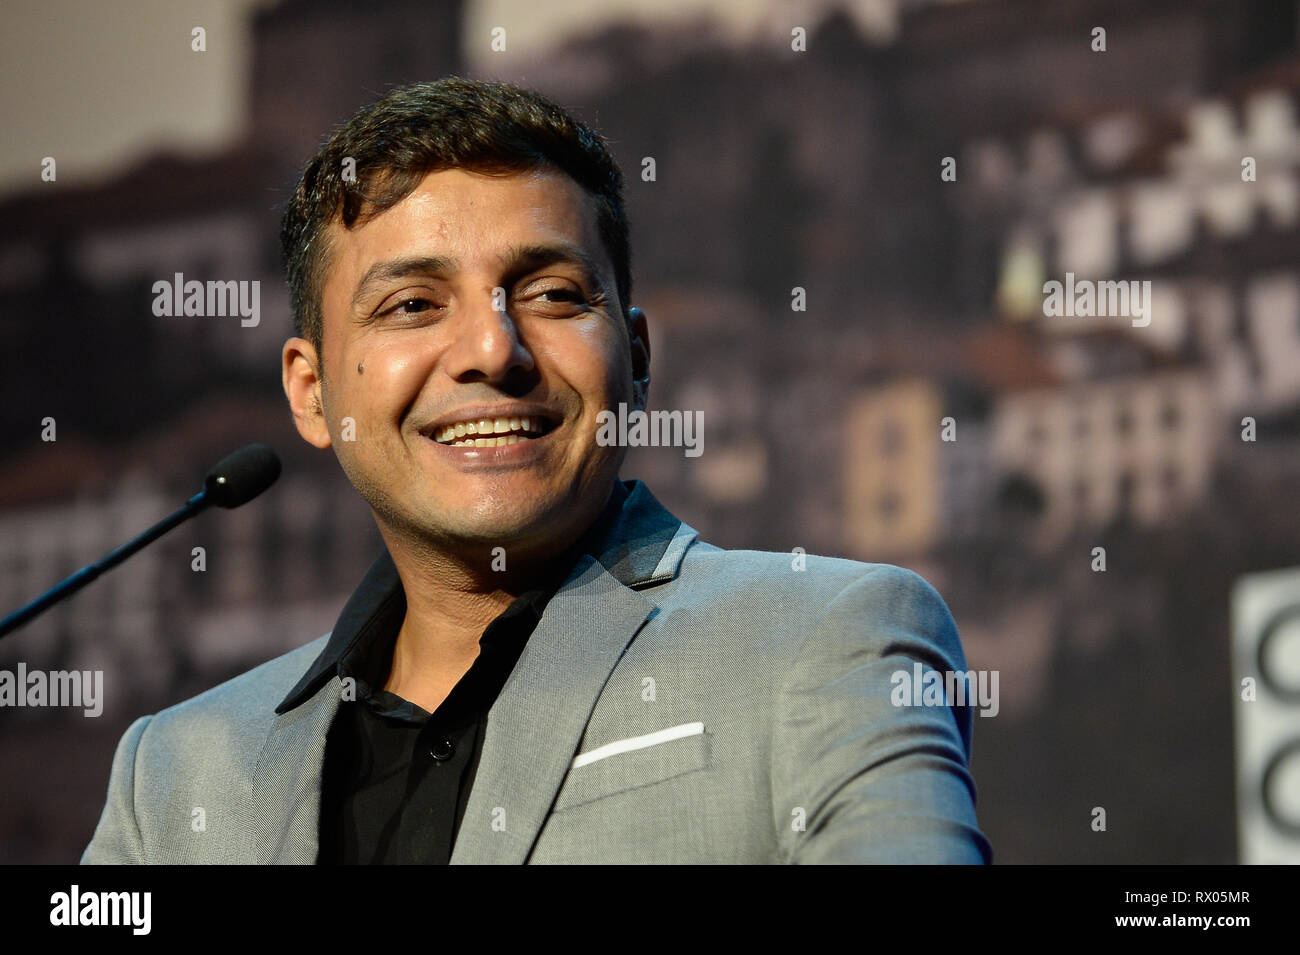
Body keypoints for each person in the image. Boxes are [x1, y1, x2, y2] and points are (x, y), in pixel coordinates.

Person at [82, 76, 992, 864]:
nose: (493, 348)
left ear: (636, 357)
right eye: (411, 303)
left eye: (553, 294)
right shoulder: (172, 777)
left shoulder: (831, 640)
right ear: (312, 393)